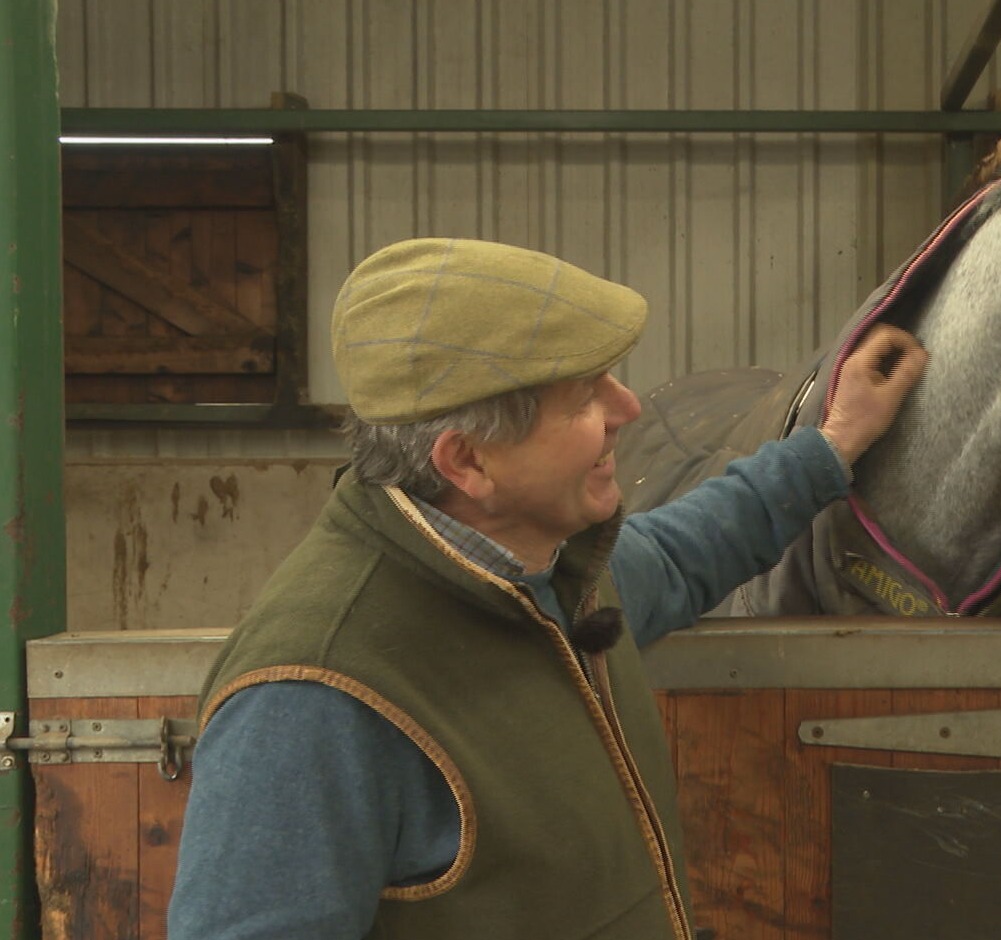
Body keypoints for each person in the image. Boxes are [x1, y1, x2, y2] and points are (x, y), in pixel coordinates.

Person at [168, 237, 927, 940]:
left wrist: (832, 444)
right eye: (584, 398)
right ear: (468, 461)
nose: (629, 409)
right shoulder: (313, 696)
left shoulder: (548, 573)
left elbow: (683, 551)